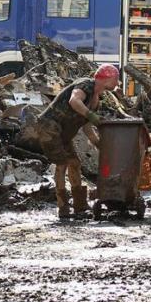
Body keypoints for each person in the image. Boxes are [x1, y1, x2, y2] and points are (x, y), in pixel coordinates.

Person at [34, 64, 120, 220]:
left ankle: (80, 206)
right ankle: (63, 207)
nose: (117, 83)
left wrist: (100, 144)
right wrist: (92, 115)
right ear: (106, 78)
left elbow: (87, 128)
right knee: (62, 164)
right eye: (115, 79)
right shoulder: (86, 85)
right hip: (50, 126)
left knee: (75, 164)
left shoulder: (95, 100)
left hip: (64, 133)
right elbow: (74, 101)